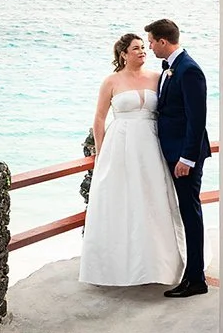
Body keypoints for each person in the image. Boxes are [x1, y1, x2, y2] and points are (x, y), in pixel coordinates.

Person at [79, 33, 184, 287]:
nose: (142, 52)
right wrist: (101, 152)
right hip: (120, 146)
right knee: (119, 201)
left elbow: (169, 111)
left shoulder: (158, 77)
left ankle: (158, 266)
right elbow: (100, 118)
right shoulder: (111, 81)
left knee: (153, 199)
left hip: (151, 145)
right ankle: (115, 268)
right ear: (123, 54)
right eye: (136, 48)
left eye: (143, 48)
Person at [146, 18, 212, 298]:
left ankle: (196, 279)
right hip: (174, 153)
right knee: (185, 212)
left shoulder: (188, 70)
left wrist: (187, 158)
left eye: (150, 41)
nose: (149, 46)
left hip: (185, 157)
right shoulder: (170, 69)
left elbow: (197, 119)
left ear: (163, 41)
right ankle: (191, 273)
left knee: (190, 213)